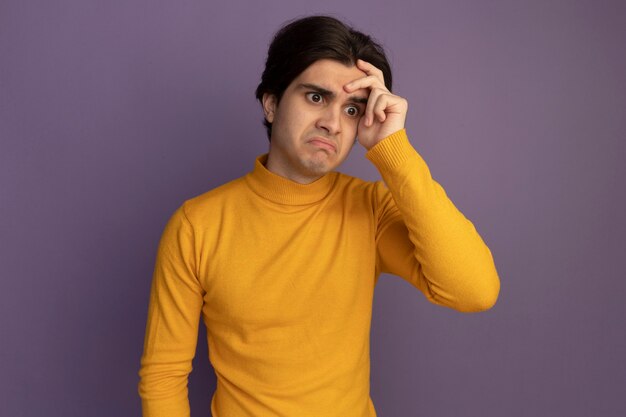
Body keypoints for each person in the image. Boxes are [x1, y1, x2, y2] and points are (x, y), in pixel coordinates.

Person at [138, 15, 500, 417]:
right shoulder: (196, 225)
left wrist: (394, 150)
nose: (332, 123)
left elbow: (475, 290)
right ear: (272, 103)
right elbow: (164, 376)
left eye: (351, 109)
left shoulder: (371, 209)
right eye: (316, 98)